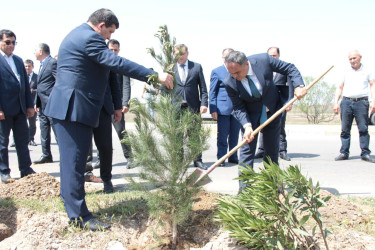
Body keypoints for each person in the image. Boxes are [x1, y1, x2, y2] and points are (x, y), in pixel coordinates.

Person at [43, 9, 173, 230]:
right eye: (109, 32)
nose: (109, 38)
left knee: (71, 164)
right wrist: (154, 75)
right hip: (72, 109)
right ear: (101, 25)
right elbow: (117, 63)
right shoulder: (89, 37)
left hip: (71, 108)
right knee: (74, 164)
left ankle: (72, 206)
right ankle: (80, 218)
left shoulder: (77, 34)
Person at [223, 50, 306, 191]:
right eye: (231, 73)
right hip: (249, 117)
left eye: (237, 72)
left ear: (246, 64)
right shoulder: (229, 81)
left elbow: (290, 68)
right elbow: (238, 107)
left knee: (271, 152)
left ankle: (272, 188)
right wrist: (247, 126)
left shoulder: (263, 60)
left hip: (272, 111)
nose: (234, 76)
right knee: (246, 153)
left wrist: (299, 86)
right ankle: (245, 191)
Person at [91, 39, 134, 170]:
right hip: (102, 106)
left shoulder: (121, 64)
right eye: (111, 50)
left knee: (121, 131)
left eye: (116, 50)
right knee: (100, 134)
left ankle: (130, 157)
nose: (113, 52)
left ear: (119, 50)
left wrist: (125, 103)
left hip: (117, 106)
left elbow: (126, 85)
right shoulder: (101, 63)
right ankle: (100, 159)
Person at [0, 29, 36, 183]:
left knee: (22, 141)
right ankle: (4, 172)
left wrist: (29, 105)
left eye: (14, 42)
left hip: (20, 109)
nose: (11, 45)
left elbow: (25, 86)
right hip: (4, 110)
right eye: (7, 42)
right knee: (2, 143)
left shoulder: (18, 61)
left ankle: (26, 169)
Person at [333, 50, 375, 163]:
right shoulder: (345, 71)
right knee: (345, 129)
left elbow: (372, 86)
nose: (352, 61)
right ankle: (344, 152)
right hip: (346, 102)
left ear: (360, 57)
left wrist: (373, 101)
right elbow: (340, 87)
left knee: (363, 129)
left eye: (354, 58)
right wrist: (336, 102)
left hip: (362, 102)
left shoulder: (367, 71)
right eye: (350, 59)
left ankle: (365, 153)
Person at [255, 47, 294, 161]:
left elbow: (290, 86)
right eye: (270, 56)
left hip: (280, 103)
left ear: (278, 56)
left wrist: (290, 102)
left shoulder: (283, 68)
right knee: (264, 125)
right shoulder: (263, 68)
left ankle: (282, 151)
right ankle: (261, 150)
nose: (272, 58)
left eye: (274, 56)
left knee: (280, 127)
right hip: (266, 104)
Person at [173, 44, 209, 170]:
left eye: (182, 53)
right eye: (177, 54)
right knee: (177, 136)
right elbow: (164, 89)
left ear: (187, 53)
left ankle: (197, 160)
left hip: (192, 107)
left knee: (194, 135)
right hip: (175, 108)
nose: (180, 56)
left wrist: (204, 103)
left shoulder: (196, 67)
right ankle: (179, 162)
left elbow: (203, 89)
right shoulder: (170, 68)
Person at [209, 48, 240, 167]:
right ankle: (221, 158)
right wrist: (213, 109)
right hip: (222, 108)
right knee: (222, 135)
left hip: (237, 108)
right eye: (226, 57)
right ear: (222, 58)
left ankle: (233, 156)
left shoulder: (238, 70)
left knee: (234, 135)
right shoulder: (217, 71)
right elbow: (212, 91)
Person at [33, 43, 57, 164]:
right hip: (42, 104)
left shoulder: (52, 63)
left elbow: (59, 82)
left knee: (57, 130)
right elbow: (40, 85)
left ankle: (65, 156)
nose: (34, 53)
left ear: (41, 51)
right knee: (43, 130)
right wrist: (36, 102)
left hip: (51, 103)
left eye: (35, 50)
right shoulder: (42, 65)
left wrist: (53, 99)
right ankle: (46, 154)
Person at [24, 59, 38, 146]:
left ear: (32, 67)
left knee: (32, 123)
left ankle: (31, 139)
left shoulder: (37, 77)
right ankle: (16, 140)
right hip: (22, 104)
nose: (27, 68)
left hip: (32, 103)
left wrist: (33, 90)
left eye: (29, 66)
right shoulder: (20, 76)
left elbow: (40, 89)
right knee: (20, 123)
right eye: (25, 66)